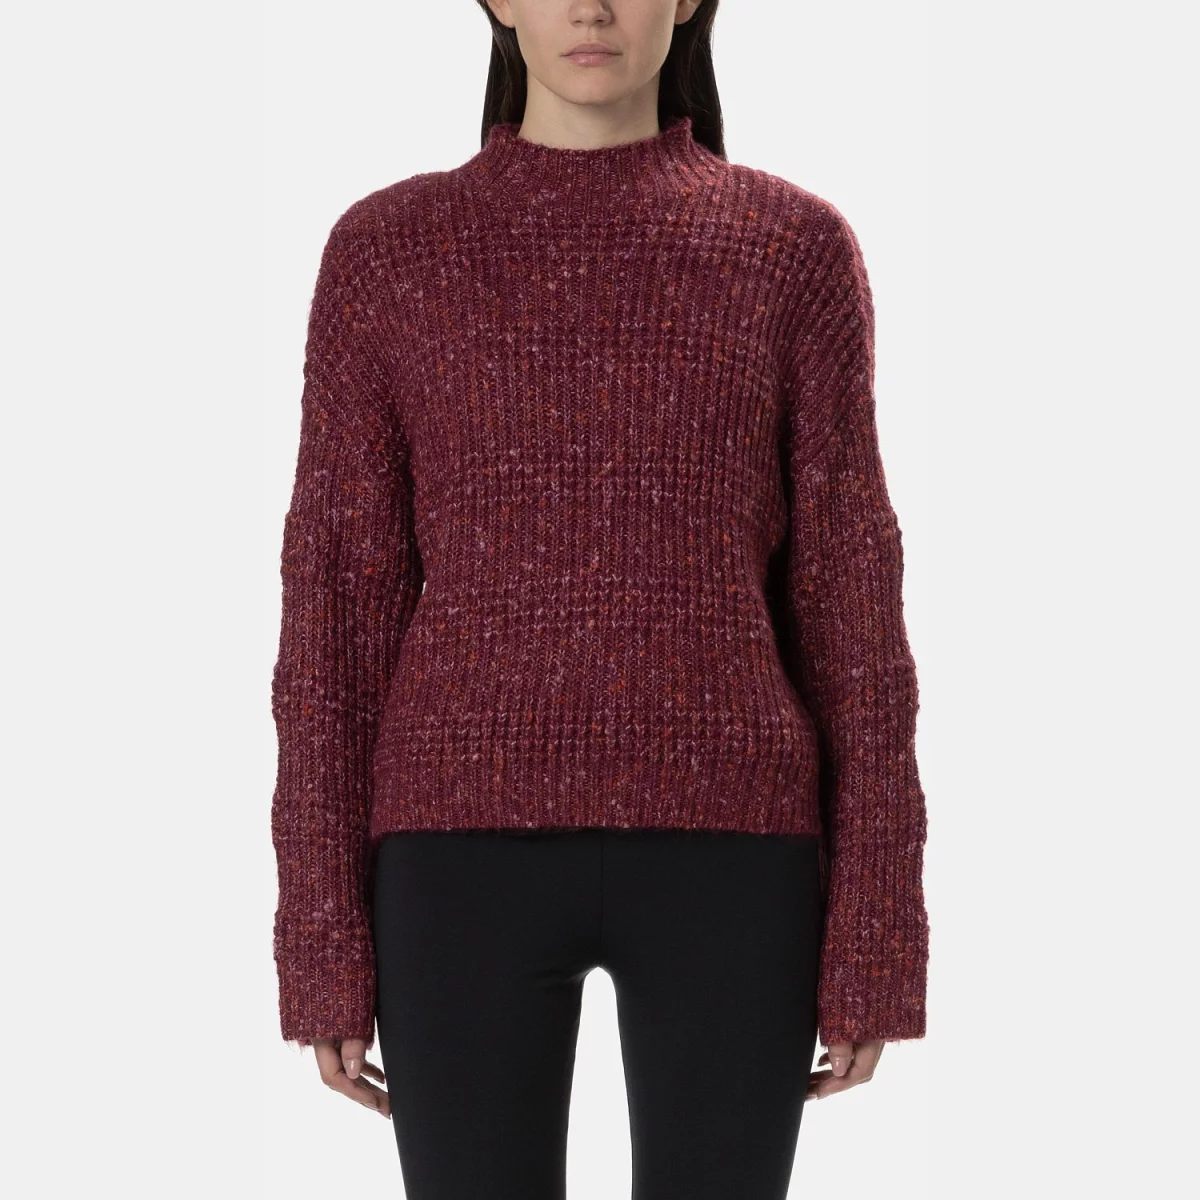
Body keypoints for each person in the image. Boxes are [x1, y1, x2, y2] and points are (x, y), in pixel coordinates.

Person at [269, 1, 929, 1195]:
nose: (589, 4)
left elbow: (852, 607)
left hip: (736, 849)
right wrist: (322, 939)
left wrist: (875, 930)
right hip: (454, 851)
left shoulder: (791, 251)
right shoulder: (388, 253)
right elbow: (336, 615)